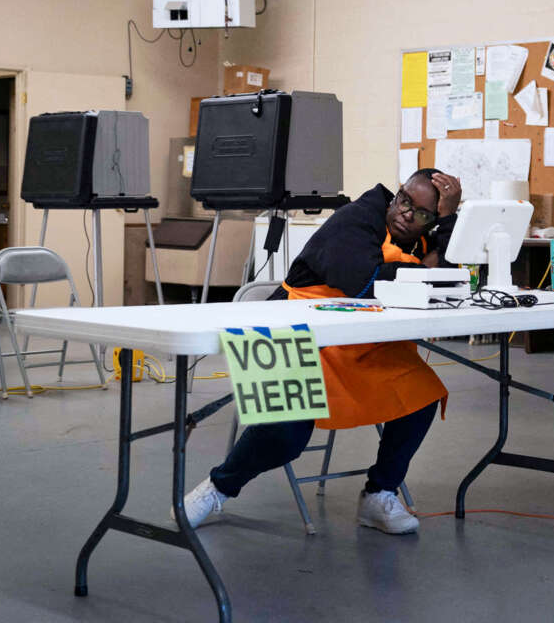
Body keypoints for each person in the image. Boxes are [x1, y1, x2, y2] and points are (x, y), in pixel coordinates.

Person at [178, 168, 463, 534]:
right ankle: (217, 488)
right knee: (285, 434)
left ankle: (379, 494)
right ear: (396, 194)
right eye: (405, 200)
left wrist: (448, 226)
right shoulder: (357, 219)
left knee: (421, 395)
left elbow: (447, 281)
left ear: (432, 221)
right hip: (287, 328)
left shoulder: (417, 241)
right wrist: (422, 270)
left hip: (356, 342)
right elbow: (365, 283)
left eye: (422, 214)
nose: (407, 213)